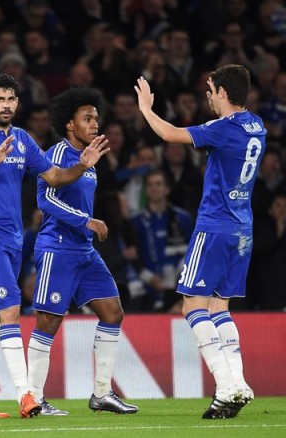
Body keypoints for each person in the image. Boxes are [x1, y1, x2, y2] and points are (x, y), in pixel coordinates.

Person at [0, 72, 109, 419]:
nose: (6, 105)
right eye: (0, 99)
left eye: (11, 99)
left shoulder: (22, 140)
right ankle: (26, 395)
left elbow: (55, 178)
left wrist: (81, 165)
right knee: (11, 310)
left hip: (13, 239)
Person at [135, 64, 264, 419]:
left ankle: (226, 384)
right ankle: (236, 385)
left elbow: (170, 135)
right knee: (219, 308)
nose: (207, 94)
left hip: (215, 226)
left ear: (223, 92)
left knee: (192, 306)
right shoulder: (258, 125)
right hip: (243, 229)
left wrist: (146, 109)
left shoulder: (223, 129)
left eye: (210, 88)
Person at [25, 87, 139, 416]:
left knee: (113, 313)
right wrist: (86, 220)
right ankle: (33, 397)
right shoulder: (56, 155)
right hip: (57, 248)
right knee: (48, 321)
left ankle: (101, 394)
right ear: (70, 124)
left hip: (84, 252)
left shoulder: (90, 159)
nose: (94, 123)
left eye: (96, 118)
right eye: (87, 118)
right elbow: (45, 199)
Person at [131, 170, 192, 311]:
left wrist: (178, 277)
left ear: (167, 189)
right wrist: (150, 278)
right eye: (150, 185)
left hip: (179, 290)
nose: (154, 188)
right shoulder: (136, 222)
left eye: (158, 184)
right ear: (146, 190)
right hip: (148, 290)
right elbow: (132, 257)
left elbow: (193, 251)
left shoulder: (182, 218)